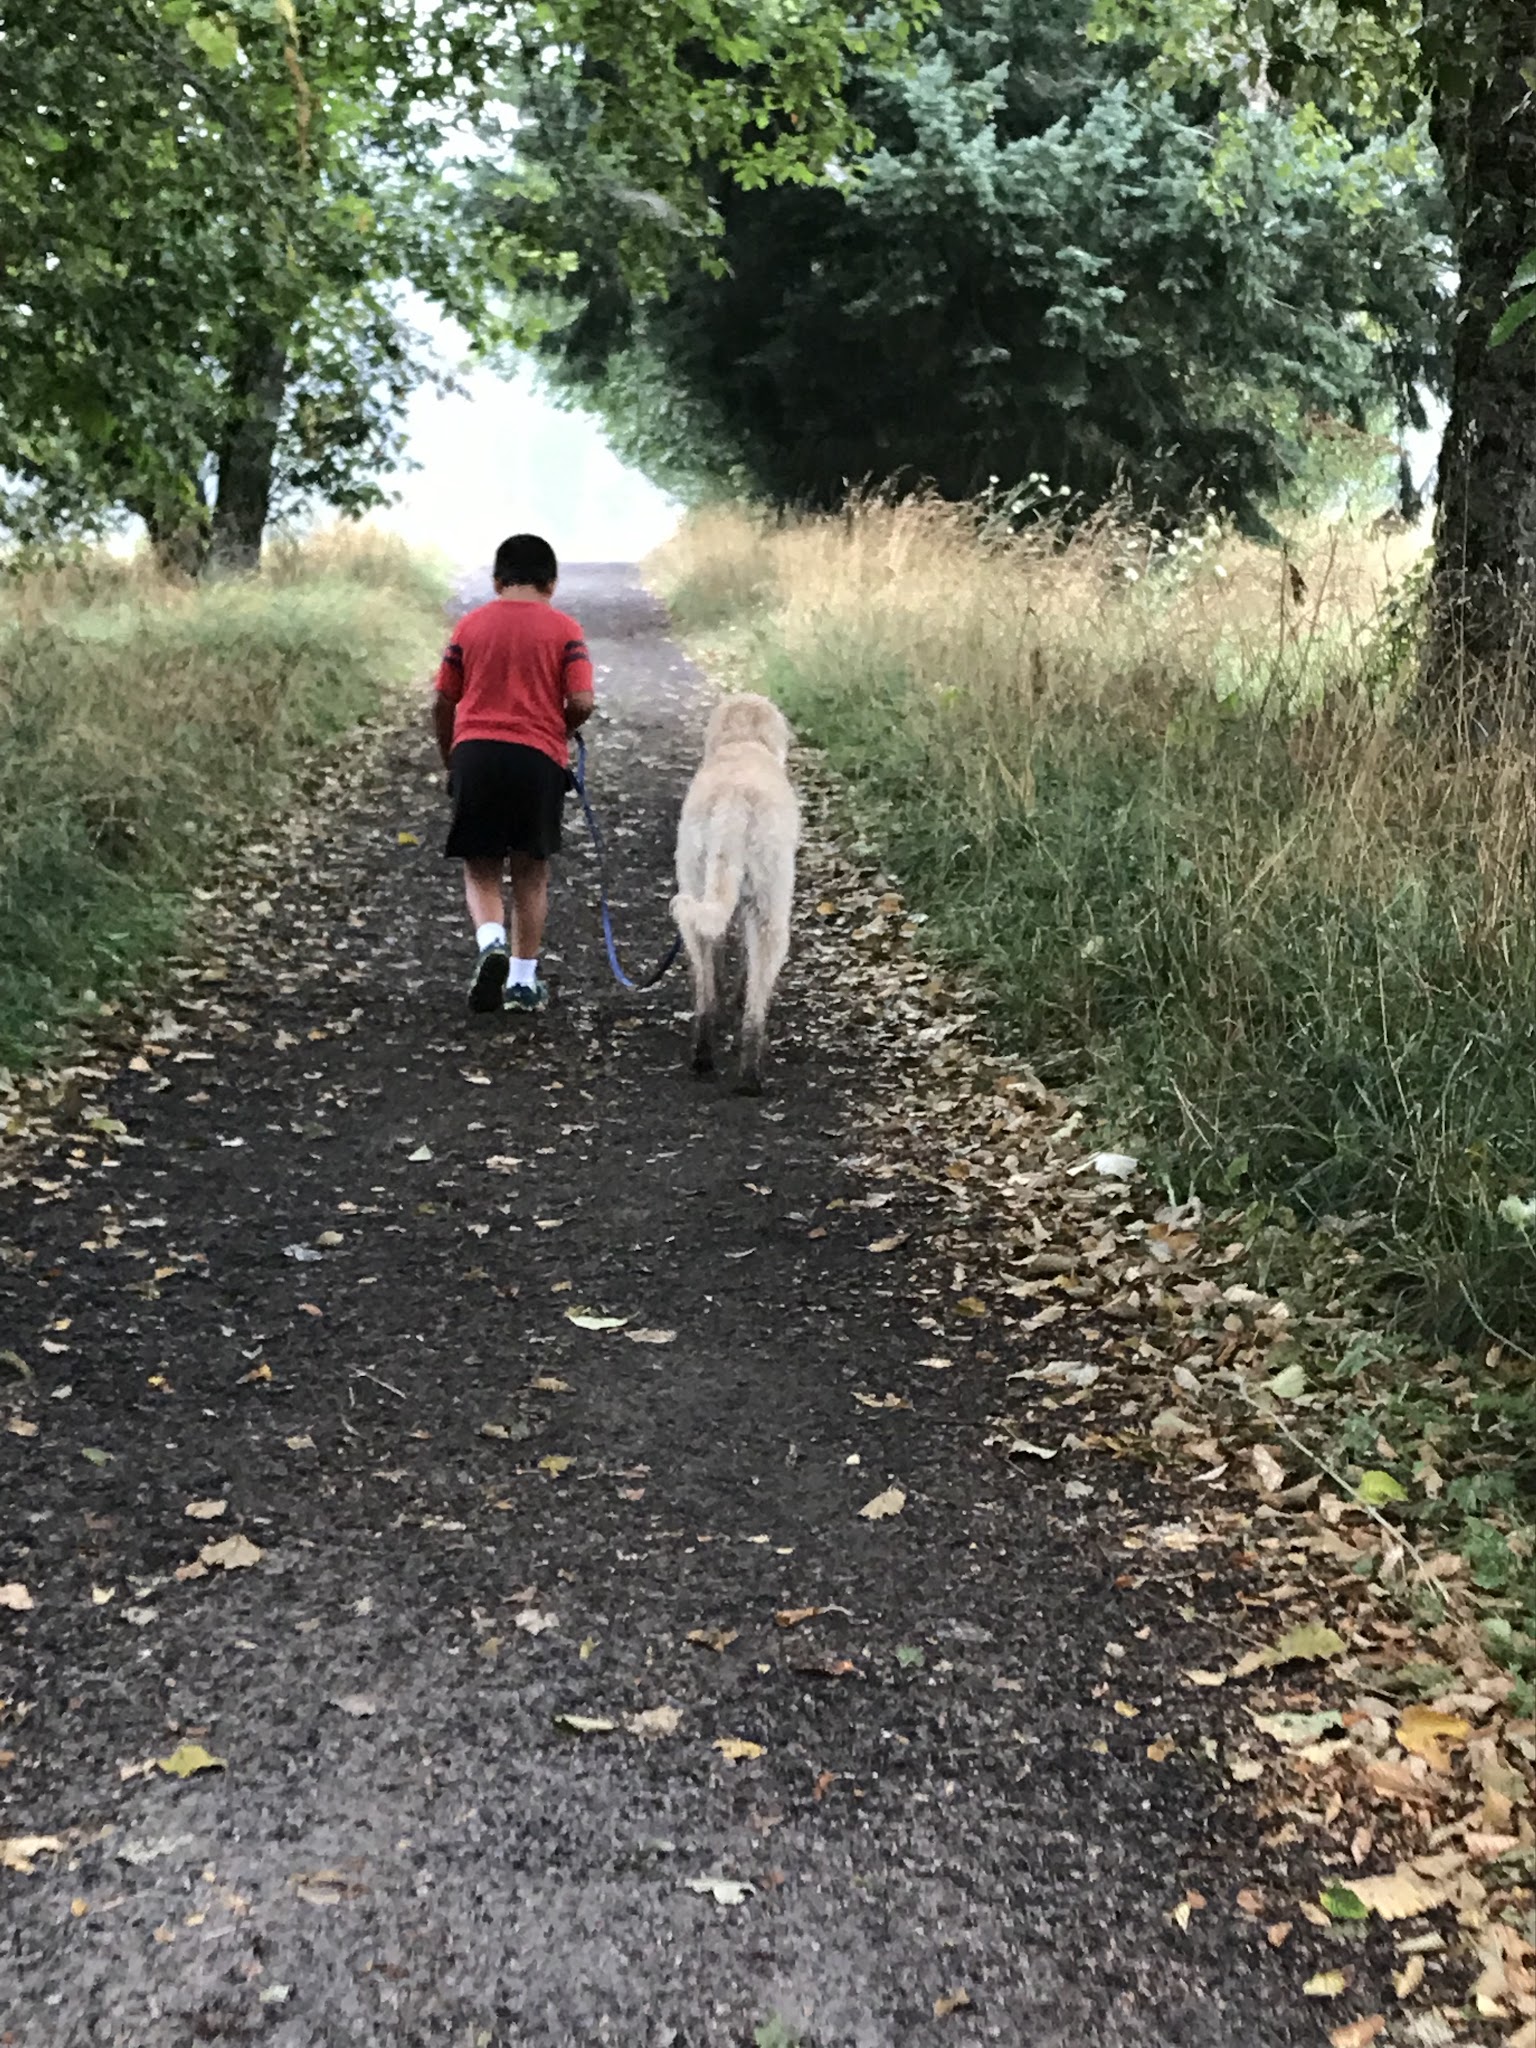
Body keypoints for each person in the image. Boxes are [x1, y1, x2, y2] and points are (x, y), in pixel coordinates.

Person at [434, 534, 595, 1014]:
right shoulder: (565, 629)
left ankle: (491, 944)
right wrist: (556, 730)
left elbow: (444, 700)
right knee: (532, 869)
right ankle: (523, 984)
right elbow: (583, 701)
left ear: (496, 580)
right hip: (537, 759)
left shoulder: (469, 627)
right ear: (552, 583)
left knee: (481, 863)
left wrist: (452, 756)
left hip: (476, 753)